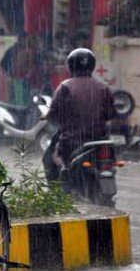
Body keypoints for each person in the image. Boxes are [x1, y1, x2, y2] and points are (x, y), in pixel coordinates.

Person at [45, 48, 116, 184]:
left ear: (71, 65)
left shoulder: (65, 87)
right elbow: (110, 114)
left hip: (72, 140)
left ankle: (61, 184)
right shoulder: (103, 87)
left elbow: (53, 114)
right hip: (99, 139)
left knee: (51, 157)